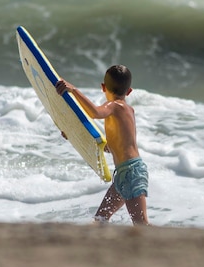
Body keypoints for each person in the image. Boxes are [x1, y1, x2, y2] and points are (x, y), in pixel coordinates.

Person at [55, 65, 149, 225]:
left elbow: (95, 113)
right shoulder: (127, 111)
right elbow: (109, 146)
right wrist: (73, 134)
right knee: (100, 220)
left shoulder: (115, 106)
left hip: (131, 173)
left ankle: (175, 242)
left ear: (103, 87)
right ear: (129, 91)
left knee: (141, 225)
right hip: (123, 175)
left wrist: (73, 90)